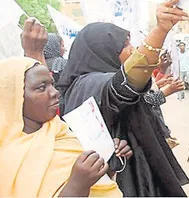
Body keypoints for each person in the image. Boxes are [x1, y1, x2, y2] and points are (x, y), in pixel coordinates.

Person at [57, 0, 189, 196]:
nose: (133, 49)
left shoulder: (85, 82)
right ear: (104, 50)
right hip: (125, 180)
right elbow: (124, 86)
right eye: (125, 44)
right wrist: (160, 31)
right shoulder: (91, 83)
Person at [0, 18, 130, 197]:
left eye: (52, 84)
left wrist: (107, 157)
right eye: (41, 88)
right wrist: (77, 185)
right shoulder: (9, 159)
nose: (55, 93)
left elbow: (100, 183)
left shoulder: (61, 131)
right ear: (14, 98)